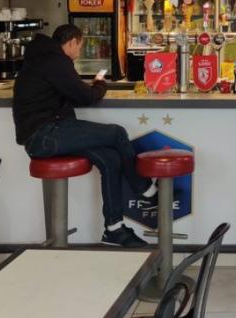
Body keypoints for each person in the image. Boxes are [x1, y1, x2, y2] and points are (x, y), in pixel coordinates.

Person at [12, 25, 156, 248]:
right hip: (45, 135)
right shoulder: (55, 61)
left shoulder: (44, 58)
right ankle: (143, 187)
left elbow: (71, 91)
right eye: (80, 45)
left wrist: (86, 88)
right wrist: (100, 84)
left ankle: (114, 230)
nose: (80, 51)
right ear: (71, 43)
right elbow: (85, 97)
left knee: (110, 158)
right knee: (117, 133)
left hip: (50, 132)